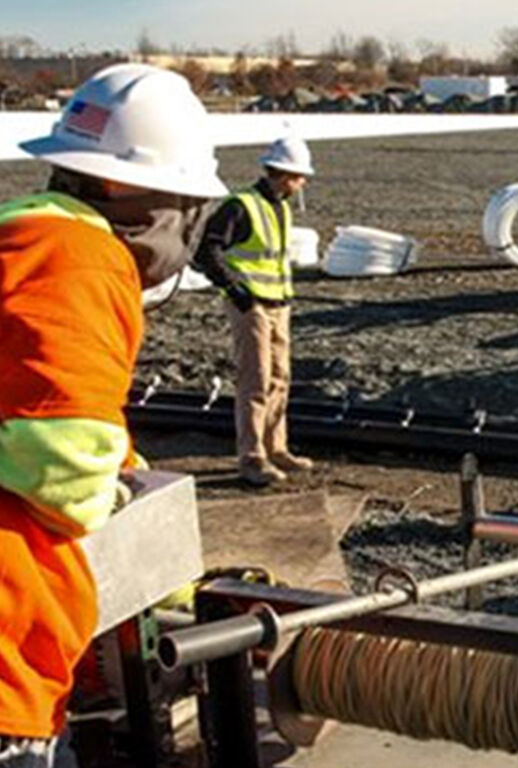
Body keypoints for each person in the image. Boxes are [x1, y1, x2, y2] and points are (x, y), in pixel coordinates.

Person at [1, 64, 224, 763]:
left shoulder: (18, 238)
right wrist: (124, 502)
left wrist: (119, 461)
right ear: (153, 199)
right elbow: (65, 468)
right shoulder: (80, 257)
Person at [193, 136, 315, 487]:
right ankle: (252, 456)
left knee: (280, 376)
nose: (303, 182)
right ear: (285, 174)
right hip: (252, 305)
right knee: (256, 379)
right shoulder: (241, 206)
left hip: (278, 303)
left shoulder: (281, 207)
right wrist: (235, 289)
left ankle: (276, 447)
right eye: (299, 175)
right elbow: (207, 250)